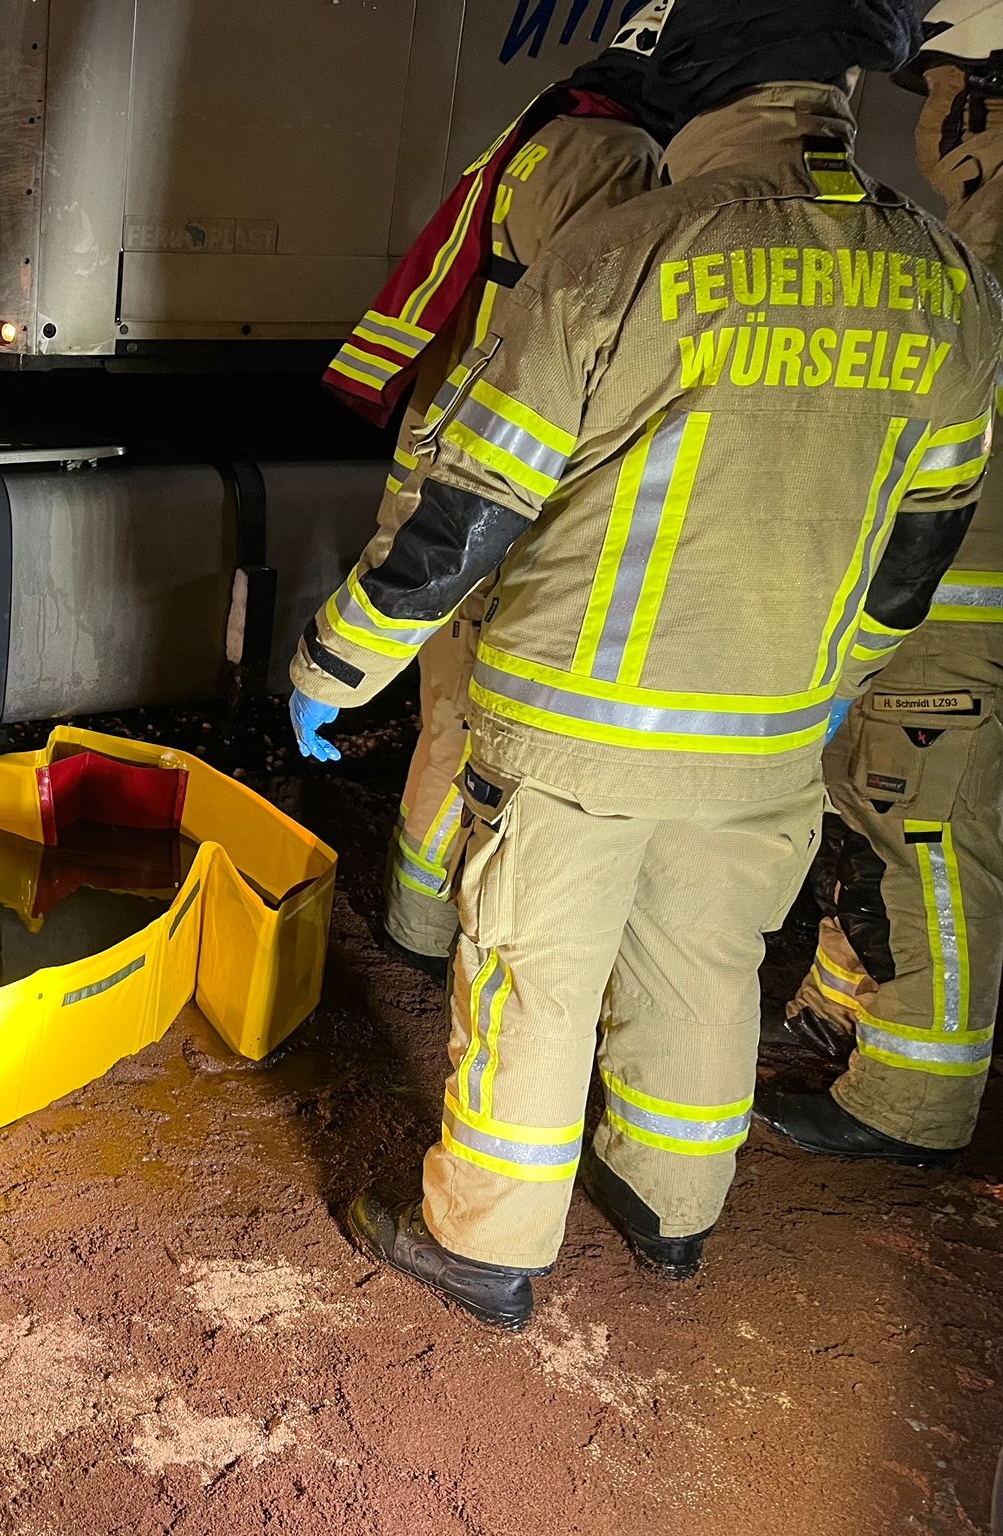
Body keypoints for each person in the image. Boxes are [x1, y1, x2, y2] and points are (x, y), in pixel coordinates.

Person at [288, 0, 1000, 1331]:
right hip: (773, 735)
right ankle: (670, 1210)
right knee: (706, 969)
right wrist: (831, 672)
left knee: (536, 979)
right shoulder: (946, 282)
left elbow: (466, 514)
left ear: (698, 80)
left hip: (576, 731)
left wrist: (337, 663)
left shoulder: (627, 251)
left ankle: (485, 1243)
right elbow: (925, 538)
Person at [320, 4, 681, 973]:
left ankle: (414, 924)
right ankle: (447, 934)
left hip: (448, 470)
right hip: (509, 509)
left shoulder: (544, 134)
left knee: (443, 725)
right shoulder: (627, 165)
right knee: (486, 744)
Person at [764, 2, 1003, 1163]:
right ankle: (848, 1013)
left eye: (943, 90)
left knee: (933, 844)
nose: (927, 119)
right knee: (879, 812)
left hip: (961, 595)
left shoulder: (998, 218)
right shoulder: (979, 213)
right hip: (938, 594)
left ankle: (911, 1104)